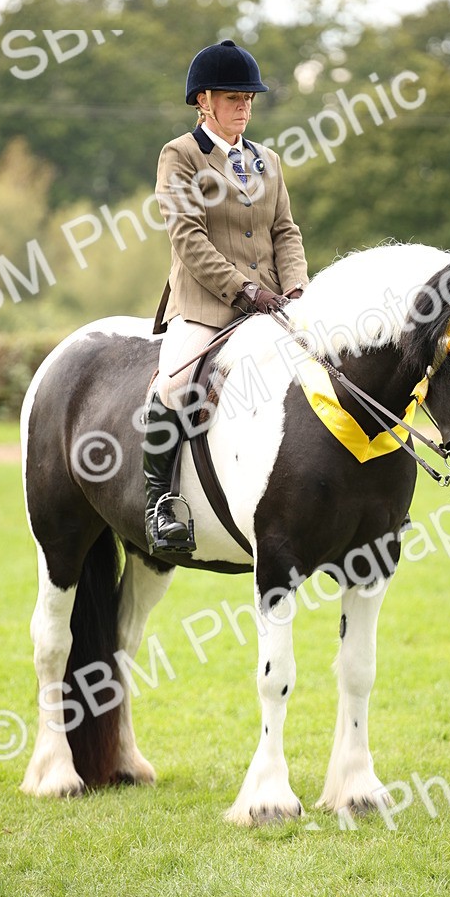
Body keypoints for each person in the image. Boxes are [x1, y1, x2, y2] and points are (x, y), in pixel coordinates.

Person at [144, 38, 310, 555]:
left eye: (249, 98)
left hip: (275, 304)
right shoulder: (181, 156)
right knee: (172, 387)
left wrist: (298, 288)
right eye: (234, 97)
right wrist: (243, 291)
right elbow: (188, 237)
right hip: (206, 307)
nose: (244, 107)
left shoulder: (268, 160)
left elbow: (285, 230)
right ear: (204, 101)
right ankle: (160, 503)